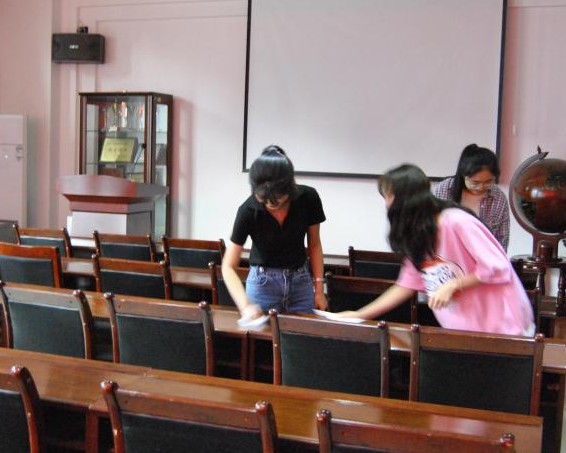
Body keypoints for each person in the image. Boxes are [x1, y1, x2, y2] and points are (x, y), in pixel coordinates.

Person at [341, 163, 533, 336]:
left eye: (389, 196)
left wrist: (454, 284)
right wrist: (360, 315)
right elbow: (405, 285)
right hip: (460, 330)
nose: (386, 204)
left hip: (500, 328)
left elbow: (498, 267)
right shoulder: (419, 234)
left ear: (405, 198)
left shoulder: (455, 221)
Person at [222, 145, 327, 322]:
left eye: (278, 200)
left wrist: (319, 290)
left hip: (300, 282)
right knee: (262, 338)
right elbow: (228, 266)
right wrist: (245, 305)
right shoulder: (247, 211)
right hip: (262, 284)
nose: (271, 205)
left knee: (303, 336)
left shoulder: (308, 198)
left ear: (290, 188)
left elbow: (314, 245)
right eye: (264, 200)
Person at [433, 143, 509, 250]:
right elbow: (431, 229)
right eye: (475, 182)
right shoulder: (443, 190)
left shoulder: (498, 198)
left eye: (488, 181)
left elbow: (502, 240)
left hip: (482, 255)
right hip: (447, 254)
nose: (481, 187)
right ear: (463, 176)